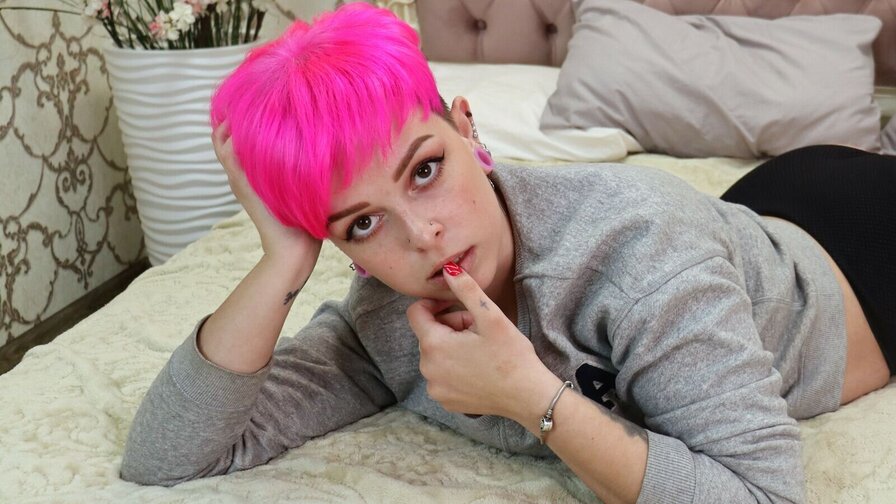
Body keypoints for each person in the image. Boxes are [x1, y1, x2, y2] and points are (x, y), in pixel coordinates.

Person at [119, 4, 895, 503]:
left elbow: (764, 495)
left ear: (466, 128)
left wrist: (530, 397)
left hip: (865, 250)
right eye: (361, 224)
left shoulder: (644, 253)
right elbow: (167, 456)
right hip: (750, 218)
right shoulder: (386, 320)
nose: (421, 235)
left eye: (426, 170)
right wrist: (280, 261)